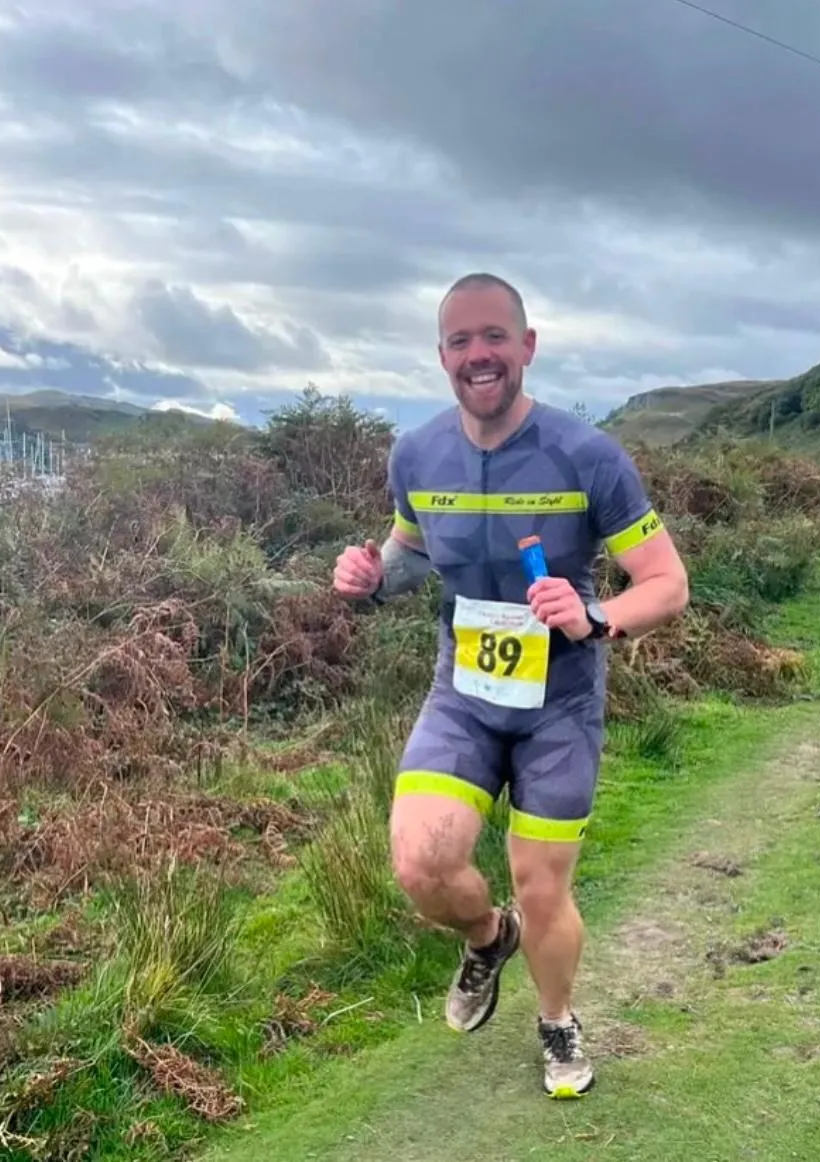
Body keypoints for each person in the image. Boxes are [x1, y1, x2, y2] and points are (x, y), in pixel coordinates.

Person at [332, 272, 689, 1099]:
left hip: (558, 705)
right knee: (421, 864)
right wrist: (372, 577)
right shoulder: (417, 455)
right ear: (442, 357)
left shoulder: (586, 456)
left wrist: (596, 616)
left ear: (527, 346)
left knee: (542, 883)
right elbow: (411, 550)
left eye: (495, 336)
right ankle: (490, 938)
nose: (479, 354)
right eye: (460, 340)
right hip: (463, 696)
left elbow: (667, 583)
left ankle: (556, 1020)